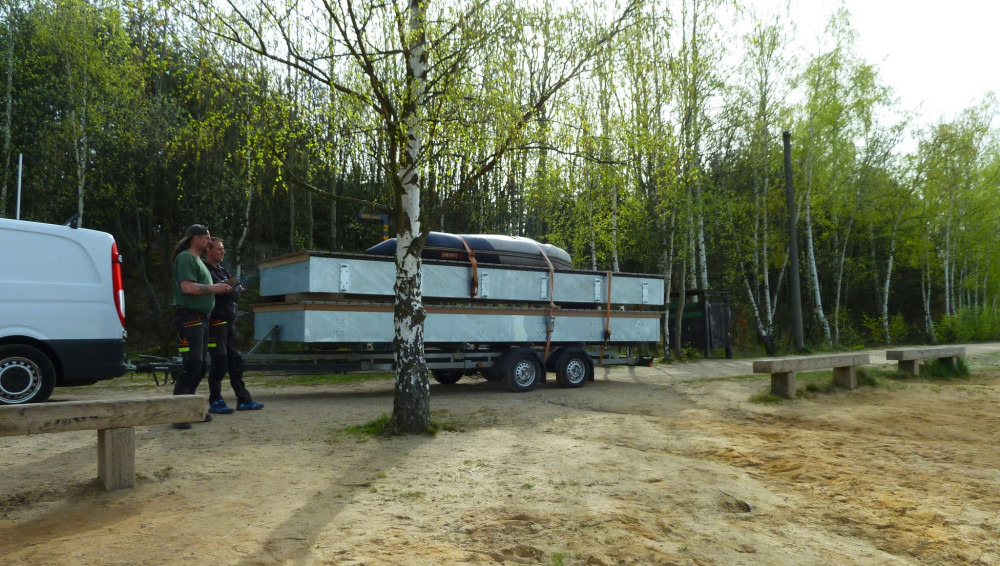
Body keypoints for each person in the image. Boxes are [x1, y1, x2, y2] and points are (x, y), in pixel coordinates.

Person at [171, 224, 232, 429]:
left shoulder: (196, 259)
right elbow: (186, 287)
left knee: (201, 365)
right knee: (192, 365)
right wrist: (214, 288)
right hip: (189, 318)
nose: (209, 241)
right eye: (206, 238)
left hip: (201, 318)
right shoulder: (186, 258)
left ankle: (191, 409)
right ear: (195, 238)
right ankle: (178, 413)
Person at [204, 237, 263, 413]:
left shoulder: (223, 269)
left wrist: (231, 288)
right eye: (219, 249)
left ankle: (243, 400)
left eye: (223, 249)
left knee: (236, 362)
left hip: (229, 322)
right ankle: (215, 401)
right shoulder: (204, 270)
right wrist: (226, 288)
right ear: (209, 250)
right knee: (219, 362)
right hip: (215, 323)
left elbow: (235, 289)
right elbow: (221, 290)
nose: (223, 252)